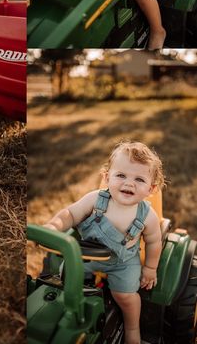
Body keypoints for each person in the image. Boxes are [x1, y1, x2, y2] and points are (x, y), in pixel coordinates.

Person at [43, 141, 164, 344]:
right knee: (66, 283)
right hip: (85, 255)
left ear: (150, 189)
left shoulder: (147, 215)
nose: (129, 183)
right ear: (107, 177)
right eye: (121, 175)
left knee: (125, 296)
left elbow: (154, 241)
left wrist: (150, 268)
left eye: (139, 179)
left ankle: (133, 329)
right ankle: (62, 320)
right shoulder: (95, 199)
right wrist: (54, 225)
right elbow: (70, 214)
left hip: (123, 263)